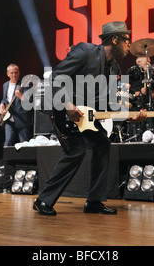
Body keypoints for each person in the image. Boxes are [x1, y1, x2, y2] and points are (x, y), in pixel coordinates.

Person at [33, 21, 146, 216]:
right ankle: (43, 200)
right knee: (75, 152)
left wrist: (129, 117)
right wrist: (68, 106)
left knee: (102, 144)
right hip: (61, 109)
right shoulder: (85, 51)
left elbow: (109, 103)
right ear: (115, 39)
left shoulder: (114, 67)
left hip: (85, 115)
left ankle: (94, 201)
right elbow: (55, 79)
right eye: (127, 40)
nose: (129, 45)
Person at [0, 64, 33, 190]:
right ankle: (7, 173)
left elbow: (30, 104)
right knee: (8, 144)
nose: (14, 75)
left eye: (16, 73)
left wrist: (21, 97)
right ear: (8, 74)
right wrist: (2, 105)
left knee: (24, 144)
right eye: (12, 73)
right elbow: (4, 99)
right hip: (9, 119)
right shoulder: (5, 85)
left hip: (23, 120)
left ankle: (24, 172)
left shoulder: (25, 85)